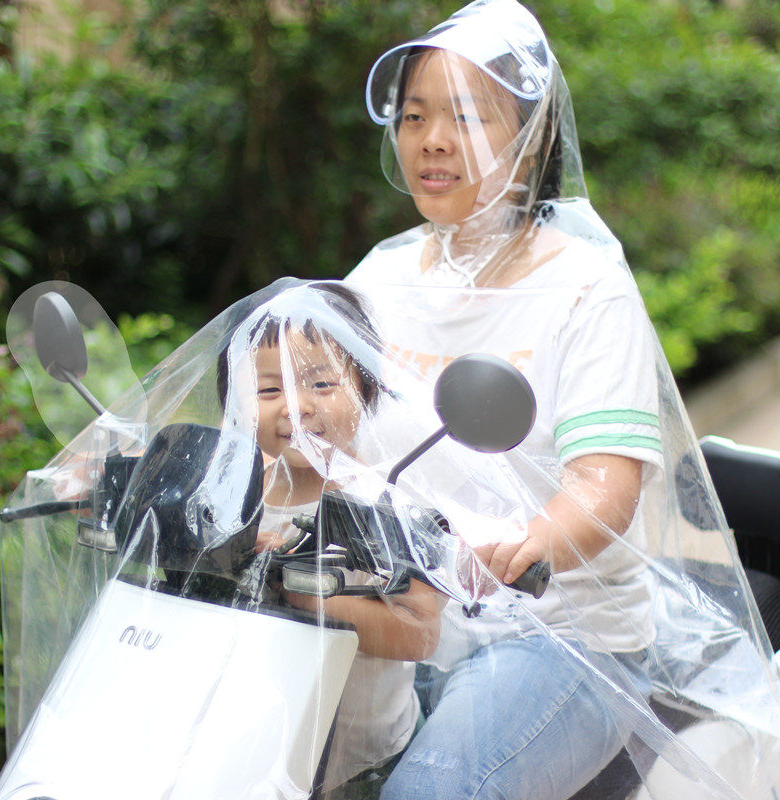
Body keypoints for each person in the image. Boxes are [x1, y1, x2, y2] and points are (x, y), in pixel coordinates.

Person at [345, 1, 664, 797]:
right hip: (404, 615)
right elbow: (309, 422)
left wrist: (529, 546)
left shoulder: (585, 288)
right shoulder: (375, 281)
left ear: (530, 145)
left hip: (559, 632)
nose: (433, 140)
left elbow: (606, 486)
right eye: (415, 116)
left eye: (466, 117)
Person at [216, 281, 443, 797]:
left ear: (364, 387)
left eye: (320, 385)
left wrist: (304, 592)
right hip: (249, 753)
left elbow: (421, 633)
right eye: (269, 391)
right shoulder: (232, 502)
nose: (296, 409)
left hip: (361, 764)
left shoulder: (385, 506)